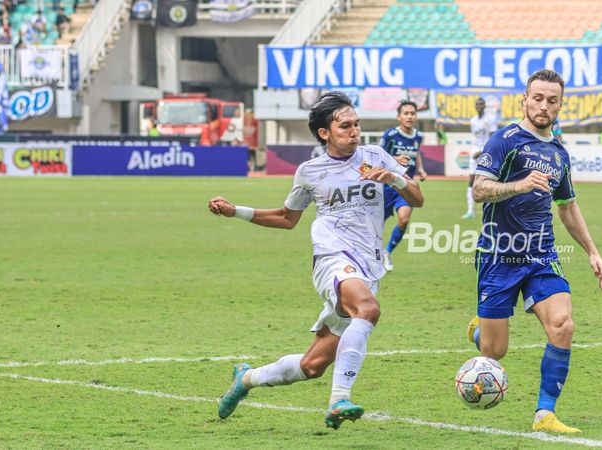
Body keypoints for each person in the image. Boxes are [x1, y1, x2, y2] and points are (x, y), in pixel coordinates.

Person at [206, 92, 423, 430]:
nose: (354, 132)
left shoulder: (375, 155)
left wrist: (393, 178)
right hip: (331, 258)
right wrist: (237, 212)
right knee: (368, 310)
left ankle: (246, 379)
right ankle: (339, 399)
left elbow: (418, 198)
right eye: (345, 126)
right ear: (325, 133)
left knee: (312, 366)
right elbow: (286, 217)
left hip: (368, 264)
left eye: (357, 124)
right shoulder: (310, 171)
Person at [466, 69, 602, 434]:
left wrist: (592, 251)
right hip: (499, 254)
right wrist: (519, 185)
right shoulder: (504, 140)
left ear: (561, 105)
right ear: (525, 100)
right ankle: (481, 330)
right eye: (538, 98)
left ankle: (544, 414)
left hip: (542, 254)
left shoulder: (559, 152)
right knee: (495, 352)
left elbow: (567, 206)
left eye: (552, 100)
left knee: (563, 326)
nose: (544, 106)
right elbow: (479, 189)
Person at [380, 99, 427, 272]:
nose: (409, 116)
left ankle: (387, 252)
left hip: (406, 185)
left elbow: (417, 153)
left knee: (404, 219)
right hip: (385, 186)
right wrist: (394, 160)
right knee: (376, 223)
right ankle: (370, 253)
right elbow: (377, 157)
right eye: (406, 113)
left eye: (412, 113)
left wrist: (420, 169)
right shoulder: (390, 136)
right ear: (398, 117)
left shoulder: (418, 136)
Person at [462, 96, 497, 219]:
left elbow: (493, 139)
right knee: (472, 180)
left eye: (481, 104)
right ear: (475, 106)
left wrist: (483, 151)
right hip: (475, 150)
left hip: (487, 152)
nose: (479, 106)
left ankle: (491, 210)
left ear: (484, 106)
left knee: (489, 180)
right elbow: (476, 138)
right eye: (477, 104)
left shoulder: (490, 120)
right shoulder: (473, 121)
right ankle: (470, 211)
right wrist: (476, 151)